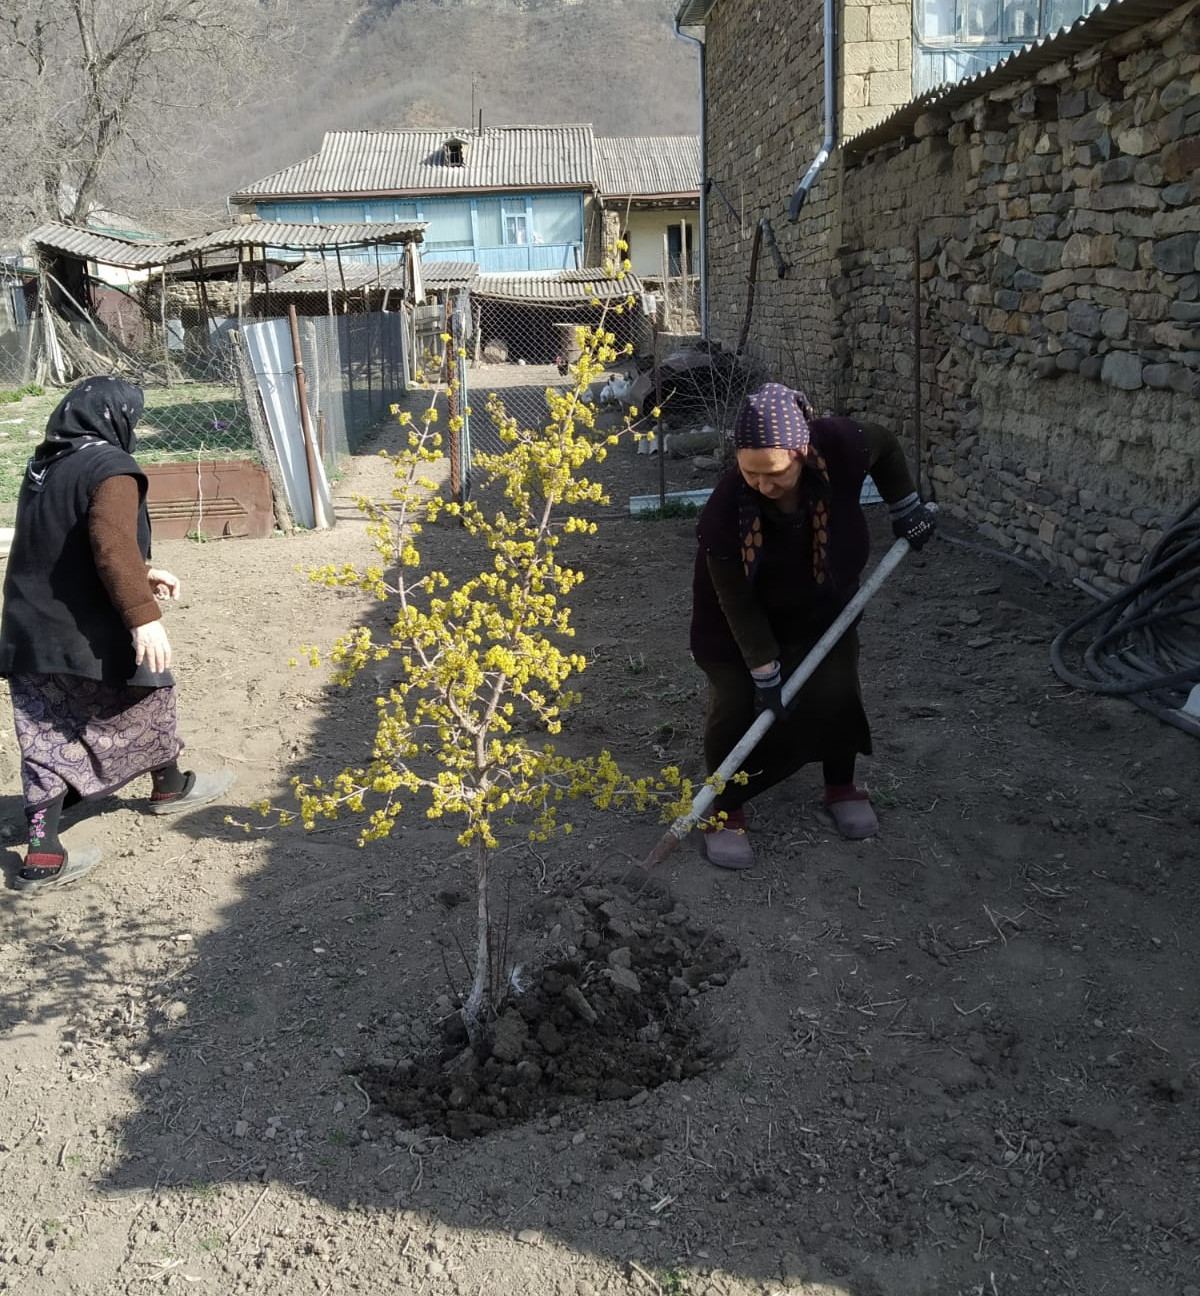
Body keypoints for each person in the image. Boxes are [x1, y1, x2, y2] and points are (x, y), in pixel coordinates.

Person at [0, 376, 234, 894]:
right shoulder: (111, 467)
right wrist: (141, 614)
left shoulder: (47, 464)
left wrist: (143, 573)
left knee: (44, 737)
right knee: (150, 690)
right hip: (85, 627)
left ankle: (42, 852)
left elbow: (63, 542)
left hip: (29, 631)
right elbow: (109, 544)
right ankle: (168, 787)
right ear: (116, 416)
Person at [689, 382, 936, 870]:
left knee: (836, 690)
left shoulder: (840, 446)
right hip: (735, 625)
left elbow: (884, 444)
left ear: (801, 453)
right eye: (750, 472)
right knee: (737, 707)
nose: (762, 485)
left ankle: (841, 786)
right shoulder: (724, 511)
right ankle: (727, 810)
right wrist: (765, 672)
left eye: (775, 473)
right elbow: (735, 600)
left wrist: (904, 506)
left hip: (823, 607)